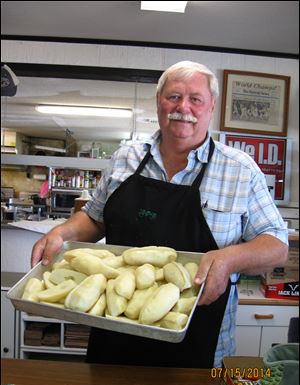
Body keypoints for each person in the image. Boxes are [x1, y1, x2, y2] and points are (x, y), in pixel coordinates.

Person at [31, 60, 289, 368]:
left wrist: (228, 259)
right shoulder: (126, 157)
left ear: (211, 107)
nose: (184, 107)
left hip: (200, 336)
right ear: (158, 103)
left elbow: (277, 245)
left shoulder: (240, 169)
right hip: (116, 326)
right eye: (174, 97)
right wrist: (62, 233)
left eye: (195, 99)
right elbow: (94, 217)